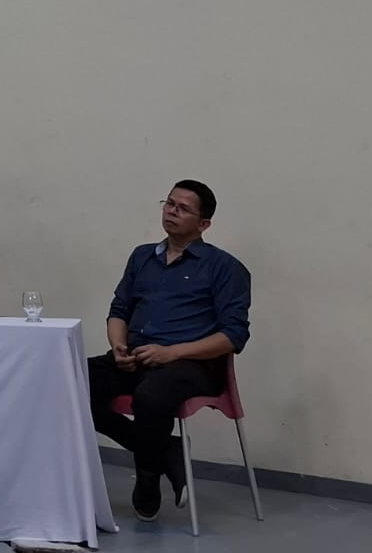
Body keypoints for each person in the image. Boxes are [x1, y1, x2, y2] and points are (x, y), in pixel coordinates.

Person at [87, 180, 251, 522]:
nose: (172, 212)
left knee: (151, 395)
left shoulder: (224, 267)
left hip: (191, 364)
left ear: (203, 224)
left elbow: (232, 336)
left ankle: (148, 480)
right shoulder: (142, 256)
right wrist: (118, 345)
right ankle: (166, 451)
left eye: (183, 208)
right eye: (169, 203)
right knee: (70, 381)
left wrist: (172, 353)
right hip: (136, 358)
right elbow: (119, 310)